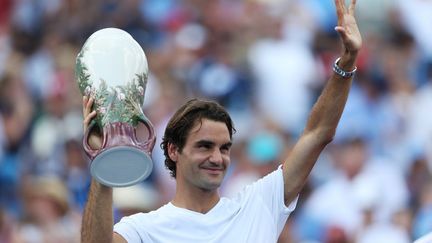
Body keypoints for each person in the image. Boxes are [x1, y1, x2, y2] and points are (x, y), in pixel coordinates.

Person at [81, 0, 362, 242]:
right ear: (173, 150)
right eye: (204, 146)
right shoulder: (144, 229)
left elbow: (318, 133)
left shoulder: (259, 204)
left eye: (224, 148)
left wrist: (347, 62)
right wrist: (103, 160)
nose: (217, 157)